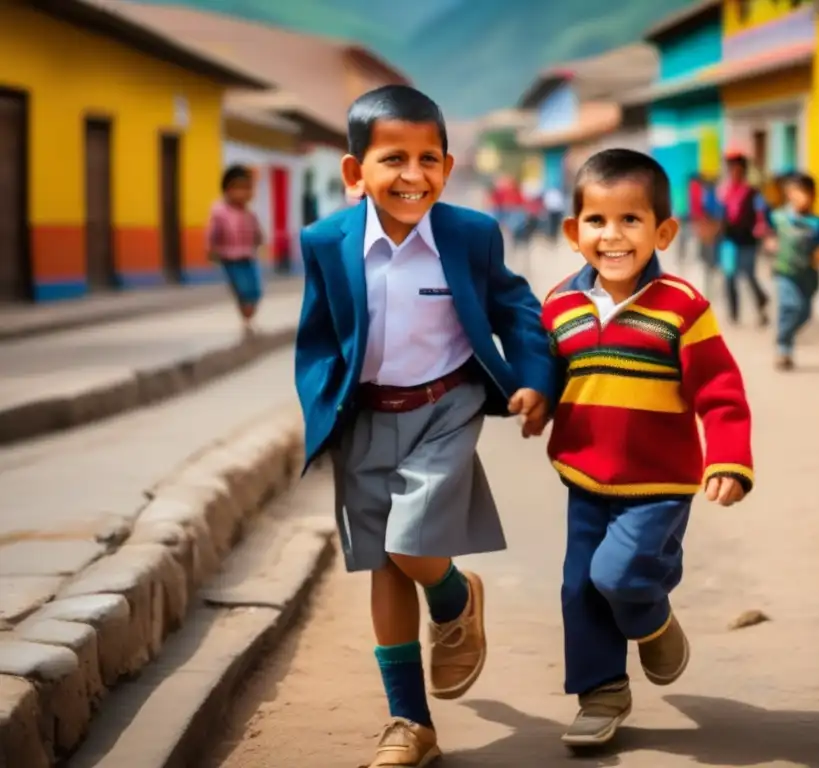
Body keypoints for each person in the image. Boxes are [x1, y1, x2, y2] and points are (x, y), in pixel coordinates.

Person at [293, 84, 558, 768]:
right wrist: (323, 402)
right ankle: (410, 725)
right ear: (356, 173)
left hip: (448, 406)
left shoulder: (469, 234)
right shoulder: (326, 241)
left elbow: (516, 306)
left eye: (429, 159)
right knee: (382, 563)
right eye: (393, 160)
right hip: (366, 416)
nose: (413, 176)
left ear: (448, 163)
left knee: (411, 547)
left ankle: (452, 594)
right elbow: (319, 335)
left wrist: (533, 379)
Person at [540, 148, 755, 751]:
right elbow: (548, 373)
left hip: (658, 481)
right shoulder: (559, 306)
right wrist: (533, 399)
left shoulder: (682, 307)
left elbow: (720, 387)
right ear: (573, 232)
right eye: (597, 222)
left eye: (631, 221)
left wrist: (729, 458)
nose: (613, 236)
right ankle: (601, 692)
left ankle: (651, 616)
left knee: (621, 573)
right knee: (579, 586)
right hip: (583, 476)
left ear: (663, 230)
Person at [763, 173, 819, 370]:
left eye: (804, 193)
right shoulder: (778, 217)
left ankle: (786, 334)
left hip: (809, 275)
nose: (799, 197)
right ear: (788, 194)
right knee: (790, 306)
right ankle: (783, 347)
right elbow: (765, 230)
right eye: (794, 193)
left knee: (804, 313)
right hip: (785, 272)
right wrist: (769, 241)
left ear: (813, 196)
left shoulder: (818, 223)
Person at [207, 165, 264, 328]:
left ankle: (248, 314)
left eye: (247, 188)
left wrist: (260, 240)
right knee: (242, 288)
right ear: (227, 189)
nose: (243, 193)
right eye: (238, 188)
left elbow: (257, 232)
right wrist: (211, 249)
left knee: (255, 289)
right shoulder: (219, 211)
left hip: (248, 256)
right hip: (230, 258)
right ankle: (246, 319)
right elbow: (213, 232)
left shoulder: (249, 213)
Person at [718, 152, 770, 327]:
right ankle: (733, 313)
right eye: (731, 169)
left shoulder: (753, 193)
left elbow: (761, 211)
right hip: (729, 240)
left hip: (748, 240)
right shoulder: (724, 191)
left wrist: (761, 226)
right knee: (729, 276)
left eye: (738, 169)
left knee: (749, 275)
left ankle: (761, 301)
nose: (734, 172)